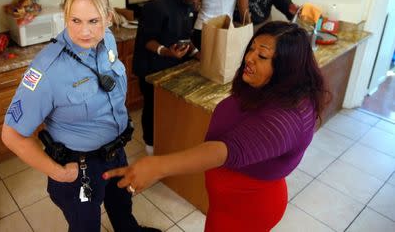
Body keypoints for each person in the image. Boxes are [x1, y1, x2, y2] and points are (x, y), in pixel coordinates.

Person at [105, 21, 330, 231]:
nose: (250, 58)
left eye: (262, 55)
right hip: (228, 202)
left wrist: (158, 166)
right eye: (251, 48)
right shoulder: (270, 88)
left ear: (286, 69)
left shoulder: (287, 119)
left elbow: (227, 150)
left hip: (246, 209)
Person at [1, 0, 161, 232]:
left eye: (93, 21)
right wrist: (58, 173)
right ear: (65, 17)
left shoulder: (107, 39)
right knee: (85, 225)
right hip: (80, 167)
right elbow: (11, 135)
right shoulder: (47, 70)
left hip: (116, 151)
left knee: (121, 205)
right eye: (75, 21)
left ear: (108, 18)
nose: (84, 32)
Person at [132, 0, 210, 155]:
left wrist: (197, 53)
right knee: (152, 109)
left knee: (169, 109)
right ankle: (151, 148)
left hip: (171, 64)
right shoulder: (157, 6)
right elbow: (146, 40)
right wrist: (167, 52)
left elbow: (185, 37)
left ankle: (167, 143)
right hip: (151, 67)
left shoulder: (188, 4)